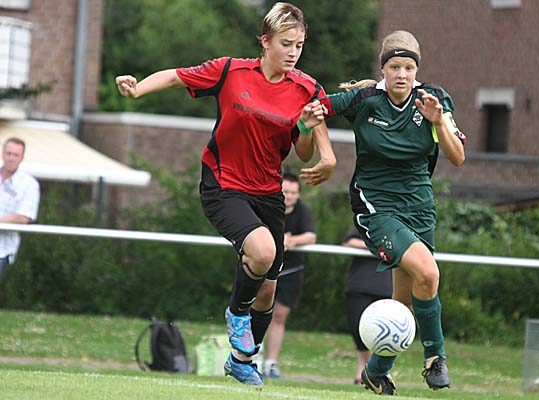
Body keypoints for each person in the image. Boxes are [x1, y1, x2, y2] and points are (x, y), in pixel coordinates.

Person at [115, 2, 336, 386]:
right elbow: (176, 77)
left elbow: (304, 152)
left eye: (299, 45)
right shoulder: (231, 71)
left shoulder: (307, 89)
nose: (293, 53)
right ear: (265, 41)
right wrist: (138, 89)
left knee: (268, 291)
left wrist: (314, 141)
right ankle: (236, 313)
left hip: (268, 193)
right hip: (223, 185)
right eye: (285, 44)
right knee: (263, 252)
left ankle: (241, 360)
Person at [312, 30, 466, 393]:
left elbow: (458, 157)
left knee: (405, 299)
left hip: (420, 206)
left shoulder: (434, 100)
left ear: (417, 70)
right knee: (428, 272)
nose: (402, 74)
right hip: (376, 206)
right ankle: (435, 357)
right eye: (395, 67)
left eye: (408, 68)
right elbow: (314, 109)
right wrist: (327, 156)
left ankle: (376, 370)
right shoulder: (365, 100)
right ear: (383, 69)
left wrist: (438, 121)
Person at [263, 172, 316, 379]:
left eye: (294, 192)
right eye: (286, 191)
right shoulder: (268, 206)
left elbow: (310, 236)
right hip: (265, 268)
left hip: (291, 270)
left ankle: (271, 363)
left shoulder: (303, 211)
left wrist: (292, 241)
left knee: (279, 316)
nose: (290, 196)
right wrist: (277, 239)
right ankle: (251, 357)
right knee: (255, 311)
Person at [342, 228, 392, 385]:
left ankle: (378, 371)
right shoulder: (367, 223)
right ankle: (366, 370)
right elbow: (348, 241)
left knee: (385, 333)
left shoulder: (399, 227)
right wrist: (374, 247)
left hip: (387, 287)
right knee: (358, 328)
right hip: (359, 285)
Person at [0, 137, 40, 283]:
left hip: (2, 250)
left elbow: (23, 217)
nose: (11, 158)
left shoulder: (29, 184)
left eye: (16, 155)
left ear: (22, 158)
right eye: (8, 153)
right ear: (2, 153)